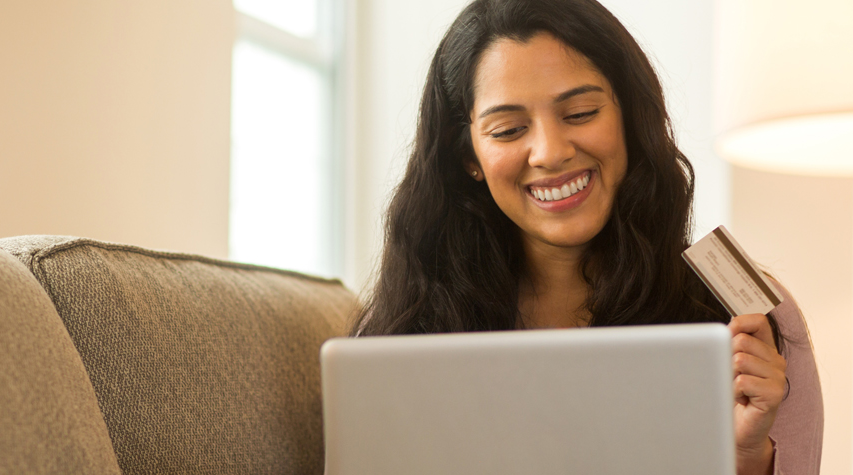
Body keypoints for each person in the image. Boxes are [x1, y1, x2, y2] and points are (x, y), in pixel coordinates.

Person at [350, 0, 824, 473]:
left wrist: (744, 456)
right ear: (469, 156)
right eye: (509, 129)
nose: (550, 153)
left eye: (579, 113)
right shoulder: (408, 331)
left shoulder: (751, 322)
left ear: (630, 119)